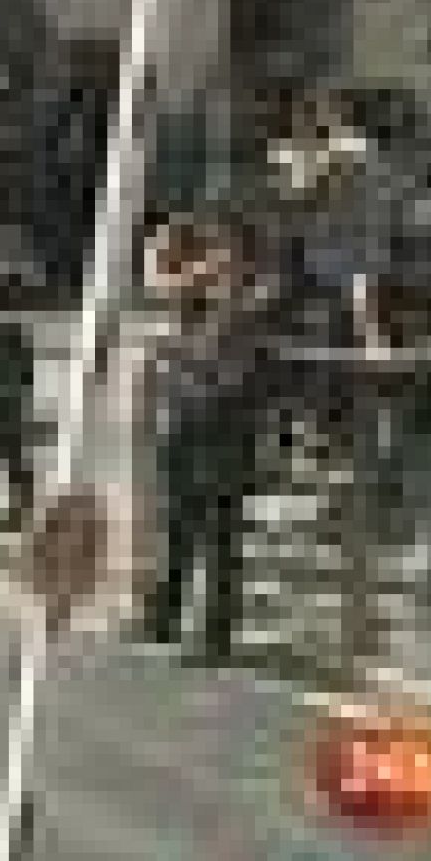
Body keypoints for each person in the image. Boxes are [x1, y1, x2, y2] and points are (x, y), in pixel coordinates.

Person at [133, 214, 274, 663]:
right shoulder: (193, 294)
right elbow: (158, 288)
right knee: (179, 518)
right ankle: (164, 616)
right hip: (187, 409)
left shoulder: (254, 297)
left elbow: (222, 345)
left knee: (221, 527)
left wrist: (225, 291)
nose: (217, 258)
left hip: (229, 413)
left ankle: (216, 634)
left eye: (227, 250)